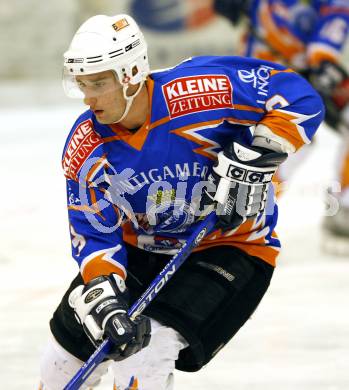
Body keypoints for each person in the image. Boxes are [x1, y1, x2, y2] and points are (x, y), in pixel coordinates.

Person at [39, 13, 323, 390]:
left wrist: (258, 152)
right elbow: (95, 237)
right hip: (140, 248)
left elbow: (299, 96)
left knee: (147, 352)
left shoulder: (203, 89)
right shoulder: (87, 147)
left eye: (98, 83)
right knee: (60, 363)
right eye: (82, 84)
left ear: (130, 75)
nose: (88, 97)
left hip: (230, 245)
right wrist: (106, 299)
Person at [214, 0, 349, 253]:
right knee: (282, 140)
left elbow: (336, 12)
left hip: (307, 68)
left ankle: (344, 208)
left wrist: (322, 58)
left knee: (294, 140)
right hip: (270, 70)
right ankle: (245, 208)